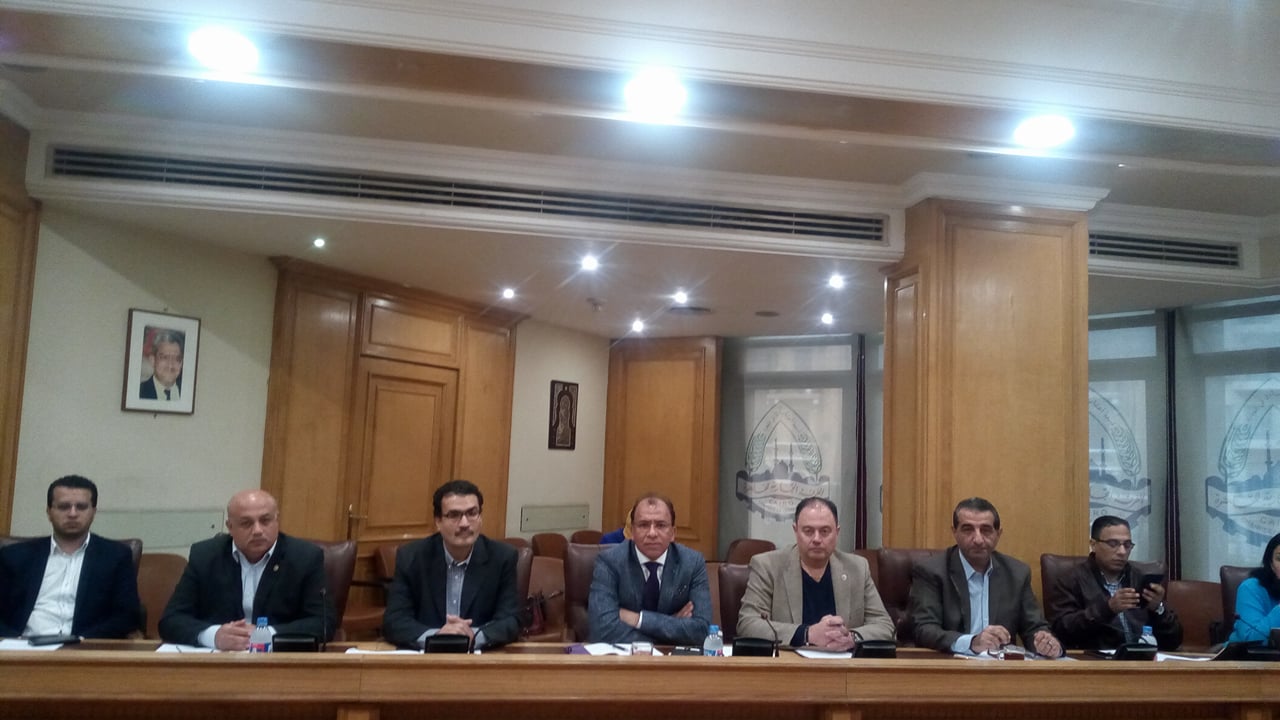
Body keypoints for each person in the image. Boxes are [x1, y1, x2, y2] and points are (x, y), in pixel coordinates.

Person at [158, 489, 333, 649]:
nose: (257, 530)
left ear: (277, 520)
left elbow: (324, 623)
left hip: (279, 660)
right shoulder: (206, 556)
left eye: (265, 521)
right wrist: (215, 636)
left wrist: (266, 635)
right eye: (246, 523)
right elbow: (171, 620)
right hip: (220, 659)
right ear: (230, 527)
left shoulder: (304, 557)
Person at [909, 497, 1063, 657]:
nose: (978, 539)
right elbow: (923, 629)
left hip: (1000, 668)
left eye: (986, 530)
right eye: (968, 530)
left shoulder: (1017, 573)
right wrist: (972, 642)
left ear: (998, 534)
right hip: (951, 664)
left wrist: (1047, 644)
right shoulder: (932, 571)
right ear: (954, 532)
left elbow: (1034, 628)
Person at [737, 497, 894, 650]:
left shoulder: (857, 568)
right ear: (796, 531)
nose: (817, 539)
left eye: (825, 531)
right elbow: (748, 624)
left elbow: (884, 625)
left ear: (837, 532)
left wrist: (851, 638)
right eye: (808, 531)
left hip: (843, 664)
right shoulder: (768, 566)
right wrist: (808, 634)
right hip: (790, 664)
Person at [383, 479, 521, 649]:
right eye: (454, 515)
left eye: (472, 513)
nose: (464, 524)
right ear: (438, 521)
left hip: (480, 657)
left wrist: (472, 636)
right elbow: (395, 621)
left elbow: (511, 620)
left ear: (480, 517)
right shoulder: (412, 557)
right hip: (426, 657)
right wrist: (437, 637)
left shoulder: (502, 557)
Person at [0, 475, 140, 638]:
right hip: (23, 645)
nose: (72, 514)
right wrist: (15, 641)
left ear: (93, 512)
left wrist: (81, 641)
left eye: (81, 507)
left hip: (84, 646)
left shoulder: (115, 556)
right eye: (63, 507)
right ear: (49, 512)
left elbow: (127, 615)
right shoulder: (14, 556)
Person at [587, 493, 712, 645]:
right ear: (632, 532)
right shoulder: (609, 562)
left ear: (673, 533)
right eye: (643, 525)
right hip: (625, 658)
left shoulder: (692, 562)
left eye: (661, 525)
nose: (652, 533)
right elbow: (602, 631)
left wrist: (639, 619)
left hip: (674, 658)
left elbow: (701, 630)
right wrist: (672, 626)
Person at [1048, 515, 1182, 650]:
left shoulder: (1139, 577)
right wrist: (1107, 609)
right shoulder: (1070, 579)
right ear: (1093, 545)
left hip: (1142, 657)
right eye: (1113, 544)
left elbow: (1174, 641)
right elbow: (1061, 631)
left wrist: (1158, 609)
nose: (1122, 552)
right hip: (1096, 659)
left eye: (1127, 545)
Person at [1228, 531, 1280, 643]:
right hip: (1245, 653)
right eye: (1279, 558)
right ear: (1271, 564)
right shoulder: (1250, 588)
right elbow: (1249, 638)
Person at [139, 328, 183, 401]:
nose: (170, 364)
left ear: (181, 363)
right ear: (153, 360)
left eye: (176, 358)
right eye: (164, 357)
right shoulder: (139, 392)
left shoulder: (186, 392)